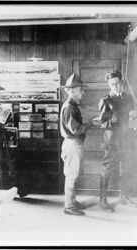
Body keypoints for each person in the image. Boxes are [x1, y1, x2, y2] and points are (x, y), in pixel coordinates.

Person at [94, 70, 137, 212]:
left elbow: (132, 119)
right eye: (112, 84)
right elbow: (101, 123)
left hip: (127, 140)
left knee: (126, 169)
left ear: (121, 83)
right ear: (109, 85)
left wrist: (133, 116)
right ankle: (102, 200)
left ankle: (123, 196)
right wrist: (111, 121)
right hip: (112, 142)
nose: (115, 86)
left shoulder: (129, 98)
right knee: (107, 170)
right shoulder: (105, 100)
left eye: (117, 83)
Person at [60, 73, 92, 216]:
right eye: (81, 89)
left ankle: (72, 201)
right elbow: (76, 129)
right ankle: (69, 207)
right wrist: (91, 124)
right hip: (72, 144)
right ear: (72, 91)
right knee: (72, 175)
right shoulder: (69, 108)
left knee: (73, 174)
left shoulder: (71, 106)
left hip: (73, 143)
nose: (83, 92)